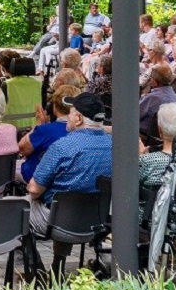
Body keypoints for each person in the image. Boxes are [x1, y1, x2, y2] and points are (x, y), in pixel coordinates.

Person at [26, 93, 113, 254]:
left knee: (17, 210)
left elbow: (34, 189)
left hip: (56, 221)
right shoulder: (115, 146)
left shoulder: (62, 147)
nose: (67, 117)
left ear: (78, 118)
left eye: (70, 113)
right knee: (65, 202)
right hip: (97, 221)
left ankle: (36, 272)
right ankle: (57, 266)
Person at [19, 85, 78, 183]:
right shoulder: (85, 131)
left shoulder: (45, 130)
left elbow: (22, 149)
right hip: (71, 180)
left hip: (37, 178)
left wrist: (38, 124)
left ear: (54, 107)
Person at [138, 65, 176, 136]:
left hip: (144, 135)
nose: (149, 80)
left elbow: (133, 116)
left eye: (150, 78)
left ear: (154, 81)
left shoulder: (153, 98)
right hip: (164, 136)